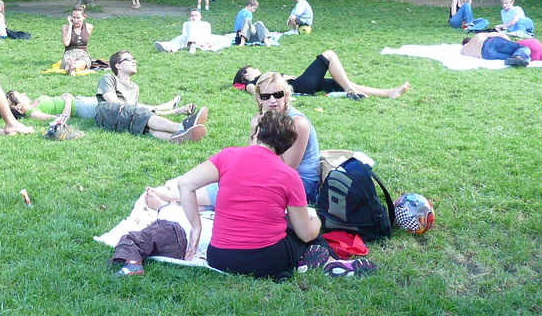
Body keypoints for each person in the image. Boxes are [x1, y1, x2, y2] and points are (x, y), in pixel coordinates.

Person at [142, 109, 371, 280]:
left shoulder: (228, 156)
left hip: (219, 257)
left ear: (258, 133)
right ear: (286, 145)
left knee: (287, 223)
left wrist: (196, 226)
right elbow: (304, 232)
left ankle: (309, 261)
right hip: (265, 262)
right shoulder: (289, 176)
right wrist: (317, 221)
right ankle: (330, 261)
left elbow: (187, 184)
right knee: (308, 228)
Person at [94, 51, 208, 143]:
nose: (134, 61)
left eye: (134, 59)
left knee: (146, 127)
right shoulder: (109, 78)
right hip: (108, 113)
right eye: (128, 59)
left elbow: (134, 111)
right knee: (142, 114)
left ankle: (178, 138)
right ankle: (182, 127)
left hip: (125, 117)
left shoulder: (135, 87)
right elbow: (111, 100)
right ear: (118, 65)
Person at [251, 71, 321, 202]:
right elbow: (251, 157)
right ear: (259, 98)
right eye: (266, 96)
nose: (272, 100)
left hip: (302, 185)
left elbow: (286, 169)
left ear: (286, 96)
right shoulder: (261, 119)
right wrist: (255, 129)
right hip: (272, 176)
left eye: (277, 95)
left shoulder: (298, 123)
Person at [233, 56, 410, 100]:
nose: (255, 68)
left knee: (343, 82)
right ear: (245, 75)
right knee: (328, 55)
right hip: (301, 86)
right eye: (251, 69)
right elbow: (257, 92)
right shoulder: (252, 82)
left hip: (304, 84)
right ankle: (351, 91)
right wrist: (281, 78)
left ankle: (389, 93)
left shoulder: (263, 76)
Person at [6, 90, 98, 122]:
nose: (24, 94)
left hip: (79, 101)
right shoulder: (33, 113)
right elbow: (62, 119)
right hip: (81, 108)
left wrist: (62, 97)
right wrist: (68, 101)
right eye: (20, 96)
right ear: (18, 106)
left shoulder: (33, 104)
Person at [459, 31, 531, 67]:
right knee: (524, 48)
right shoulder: (477, 36)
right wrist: (510, 43)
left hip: (486, 54)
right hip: (491, 42)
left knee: (513, 57)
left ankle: (517, 58)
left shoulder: (463, 51)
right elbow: (501, 34)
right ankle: (518, 56)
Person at [61, 6, 94, 73]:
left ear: (84, 17)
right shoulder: (65, 27)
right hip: (69, 53)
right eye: (74, 17)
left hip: (82, 53)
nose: (75, 20)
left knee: (83, 62)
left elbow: (85, 42)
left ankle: (73, 67)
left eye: (78, 18)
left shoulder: (89, 27)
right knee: (67, 61)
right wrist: (70, 26)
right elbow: (66, 43)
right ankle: (71, 66)